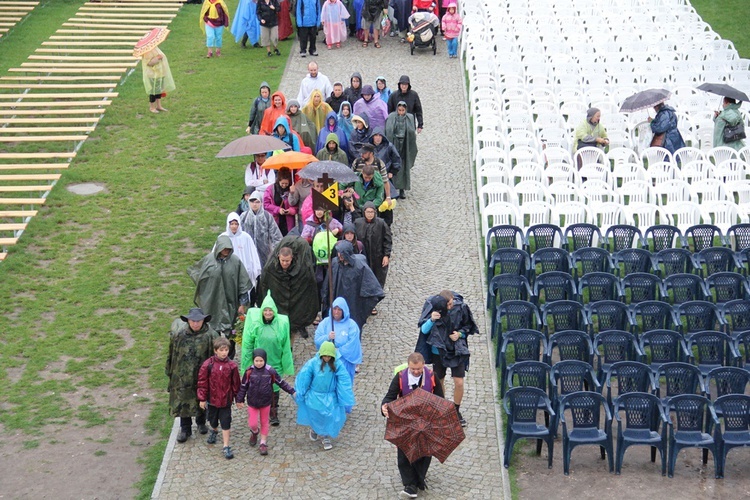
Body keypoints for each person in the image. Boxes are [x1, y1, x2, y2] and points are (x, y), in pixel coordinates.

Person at [381, 352, 444, 498]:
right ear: (408, 366)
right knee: (404, 452)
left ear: (423, 366)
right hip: (406, 421)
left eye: (418, 369)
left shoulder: (432, 377)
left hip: (426, 421)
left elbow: (440, 399)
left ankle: (419, 478)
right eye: (413, 369)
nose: (416, 372)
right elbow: (389, 397)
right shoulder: (400, 377)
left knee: (425, 452)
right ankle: (409, 484)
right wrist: (384, 407)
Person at [188, 235, 252, 360]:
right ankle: (216, 357)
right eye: (224, 249)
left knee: (232, 332)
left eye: (228, 249)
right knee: (213, 331)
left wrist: (242, 303)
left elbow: (242, 283)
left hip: (231, 303)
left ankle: (230, 356)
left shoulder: (235, 262)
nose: (226, 251)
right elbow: (195, 272)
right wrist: (205, 287)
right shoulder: (208, 260)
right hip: (213, 302)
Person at [416, 292, 473, 427]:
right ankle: (442, 407)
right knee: (439, 379)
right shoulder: (433, 309)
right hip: (438, 352)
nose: (451, 306)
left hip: (456, 350)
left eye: (452, 303)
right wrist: (431, 320)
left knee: (459, 382)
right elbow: (423, 330)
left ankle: (456, 410)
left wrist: (460, 334)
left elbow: (468, 327)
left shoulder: (461, 308)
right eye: (448, 304)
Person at [166, 308, 219, 443]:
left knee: (202, 397)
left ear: (203, 321)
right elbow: (172, 353)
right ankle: (185, 428)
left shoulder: (211, 335)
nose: (195, 324)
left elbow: (216, 357)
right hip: (183, 376)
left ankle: (201, 422)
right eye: (192, 321)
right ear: (188, 321)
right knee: (183, 401)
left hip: (202, 374)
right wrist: (170, 371)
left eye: (198, 321)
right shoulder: (179, 335)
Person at [241, 291, 295, 426]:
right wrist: (248, 362)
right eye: (266, 310)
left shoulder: (281, 324)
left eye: (270, 310)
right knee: (260, 385)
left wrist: (286, 362)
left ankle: (273, 410)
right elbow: (248, 343)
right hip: (259, 360)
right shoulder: (256, 325)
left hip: (275, 359)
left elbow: (286, 345)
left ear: (274, 311)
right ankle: (259, 406)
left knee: (275, 386)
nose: (268, 313)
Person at [295, 341, 355, 450]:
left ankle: (324, 435)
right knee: (317, 415)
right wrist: (301, 392)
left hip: (330, 396)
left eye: (329, 356)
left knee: (329, 416)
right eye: (325, 356)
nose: (327, 358)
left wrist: (344, 396)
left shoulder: (337, 364)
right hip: (315, 395)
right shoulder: (312, 363)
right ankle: (319, 431)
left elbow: (343, 380)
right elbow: (304, 378)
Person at [236, 348, 296, 455]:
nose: (259, 363)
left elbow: (281, 382)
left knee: (264, 422)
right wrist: (239, 399)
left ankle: (263, 443)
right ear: (253, 360)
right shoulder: (249, 371)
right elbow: (243, 386)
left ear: (265, 360)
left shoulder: (270, 371)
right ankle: (254, 432)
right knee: (253, 423)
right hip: (252, 402)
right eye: (256, 361)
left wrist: (292, 391)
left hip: (266, 402)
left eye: (261, 361)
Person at [257, 235, 320, 337]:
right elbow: (264, 284)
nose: (285, 263)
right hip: (279, 296)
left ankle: (297, 328)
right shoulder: (270, 268)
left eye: (287, 261)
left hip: (296, 294)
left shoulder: (303, 269)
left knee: (296, 315)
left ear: (292, 259)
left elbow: (310, 284)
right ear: (278, 257)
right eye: (282, 261)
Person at [322, 240, 384, 331]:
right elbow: (328, 284)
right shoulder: (335, 263)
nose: (339, 255)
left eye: (342, 253)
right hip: (337, 301)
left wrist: (364, 307)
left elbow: (372, 287)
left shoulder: (359, 266)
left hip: (353, 304)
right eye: (339, 253)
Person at [197, 337, 240, 459]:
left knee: (226, 422)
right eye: (221, 350)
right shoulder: (208, 364)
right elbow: (202, 382)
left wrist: (238, 399)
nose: (224, 352)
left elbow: (236, 384)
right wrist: (202, 398)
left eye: (226, 350)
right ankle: (214, 430)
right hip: (212, 400)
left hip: (226, 401)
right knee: (213, 420)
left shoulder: (232, 366)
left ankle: (226, 446)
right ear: (216, 350)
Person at [314, 297, 362, 391]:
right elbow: (317, 340)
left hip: (345, 362)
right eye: (334, 309)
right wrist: (327, 337)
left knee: (343, 387)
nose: (336, 312)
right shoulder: (325, 323)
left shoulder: (352, 325)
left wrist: (338, 353)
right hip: (328, 361)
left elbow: (353, 345)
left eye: (339, 309)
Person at [354, 201, 391, 296]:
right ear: (364, 212)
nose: (370, 214)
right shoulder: (358, 223)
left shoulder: (381, 223)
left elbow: (387, 240)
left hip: (377, 257)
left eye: (371, 212)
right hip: (363, 256)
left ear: (375, 212)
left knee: (377, 278)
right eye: (368, 212)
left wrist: (386, 255)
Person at [219, 212, 262, 288]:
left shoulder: (246, 237)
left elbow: (253, 254)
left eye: (236, 224)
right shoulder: (223, 237)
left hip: (244, 271)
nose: (234, 226)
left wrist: (254, 269)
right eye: (232, 224)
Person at [241, 190, 282, 267]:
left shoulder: (267, 216)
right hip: (248, 251)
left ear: (261, 203)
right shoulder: (244, 217)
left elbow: (276, 235)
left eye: (257, 202)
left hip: (265, 253)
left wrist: (278, 251)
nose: (254, 204)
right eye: (252, 202)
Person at [385, 101, 417, 199]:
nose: (401, 112)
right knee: (393, 166)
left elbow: (412, 131)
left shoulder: (409, 118)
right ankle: (393, 189)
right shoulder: (391, 117)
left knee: (403, 167)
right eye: (399, 110)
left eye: (403, 110)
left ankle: (402, 189)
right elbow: (388, 129)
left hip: (404, 145)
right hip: (394, 144)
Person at [138, 46, 174, 114]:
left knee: (159, 90)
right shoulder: (147, 51)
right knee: (153, 91)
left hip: (160, 73)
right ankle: (152, 107)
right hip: (153, 74)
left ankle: (158, 106)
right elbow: (149, 63)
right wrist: (158, 58)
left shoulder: (155, 48)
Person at [263, 166, 299, 235]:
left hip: (289, 222)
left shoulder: (293, 189)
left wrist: (291, 211)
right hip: (275, 221)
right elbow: (266, 205)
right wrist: (278, 209)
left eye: (286, 184)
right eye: (282, 183)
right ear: (278, 181)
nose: (284, 185)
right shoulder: (270, 189)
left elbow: (297, 205)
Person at [370, 127, 401, 195]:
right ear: (372, 137)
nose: (378, 138)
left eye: (380, 135)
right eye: (376, 135)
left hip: (385, 174)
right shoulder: (368, 147)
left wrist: (392, 172)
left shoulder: (389, 146)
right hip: (371, 175)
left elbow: (396, 159)